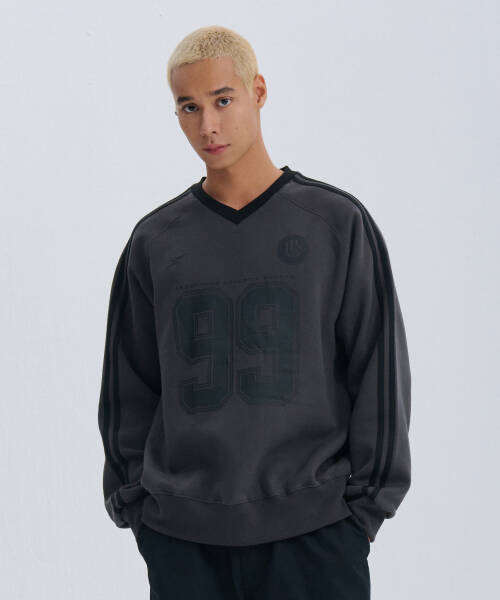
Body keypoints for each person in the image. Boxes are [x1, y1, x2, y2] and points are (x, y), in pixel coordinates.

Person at [97, 24, 411, 600]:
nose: (207, 126)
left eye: (223, 100)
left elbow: (378, 369)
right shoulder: (155, 241)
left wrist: (363, 511)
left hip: (316, 534)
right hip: (184, 542)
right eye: (189, 107)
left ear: (258, 91)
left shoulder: (335, 222)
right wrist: (140, 508)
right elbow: (128, 386)